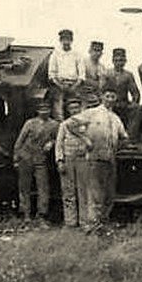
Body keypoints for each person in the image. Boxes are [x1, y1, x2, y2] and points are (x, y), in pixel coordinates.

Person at [63, 91, 128, 229]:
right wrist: (85, 139)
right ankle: (92, 224)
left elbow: (124, 136)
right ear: (102, 98)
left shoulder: (115, 118)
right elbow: (71, 124)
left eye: (113, 97)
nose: (110, 99)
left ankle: (103, 221)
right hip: (94, 158)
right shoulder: (92, 113)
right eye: (107, 96)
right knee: (95, 193)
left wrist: (119, 145)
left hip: (110, 158)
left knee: (109, 193)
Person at [14, 98, 60, 222]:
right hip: (26, 156)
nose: (44, 112)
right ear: (37, 110)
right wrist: (16, 158)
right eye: (41, 109)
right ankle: (26, 214)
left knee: (43, 187)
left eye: (47, 109)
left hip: (41, 159)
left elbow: (59, 139)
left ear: (50, 110)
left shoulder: (54, 125)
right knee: (24, 187)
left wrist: (52, 142)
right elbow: (20, 140)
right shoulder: (30, 123)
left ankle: (42, 215)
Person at [54, 96, 92, 228]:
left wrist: (87, 153)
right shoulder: (64, 125)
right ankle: (70, 221)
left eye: (76, 107)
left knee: (83, 191)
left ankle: (84, 221)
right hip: (68, 159)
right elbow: (58, 144)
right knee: (68, 191)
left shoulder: (87, 123)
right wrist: (60, 161)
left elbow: (91, 142)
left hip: (82, 160)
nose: (74, 110)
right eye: (71, 108)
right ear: (68, 110)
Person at [102, 47, 142, 136]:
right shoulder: (107, 74)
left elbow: (135, 93)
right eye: (116, 60)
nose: (119, 63)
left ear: (125, 61)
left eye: (121, 60)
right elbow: (101, 91)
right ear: (113, 61)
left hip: (123, 104)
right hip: (109, 103)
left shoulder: (128, 75)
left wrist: (134, 102)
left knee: (137, 109)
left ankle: (130, 137)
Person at [47, 29, 86, 120]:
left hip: (75, 84)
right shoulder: (55, 54)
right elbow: (52, 73)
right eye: (64, 39)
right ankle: (59, 123)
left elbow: (82, 74)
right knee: (58, 107)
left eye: (68, 39)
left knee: (79, 106)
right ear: (60, 41)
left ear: (71, 40)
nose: (66, 42)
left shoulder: (77, 54)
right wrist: (60, 85)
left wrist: (75, 85)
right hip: (59, 84)